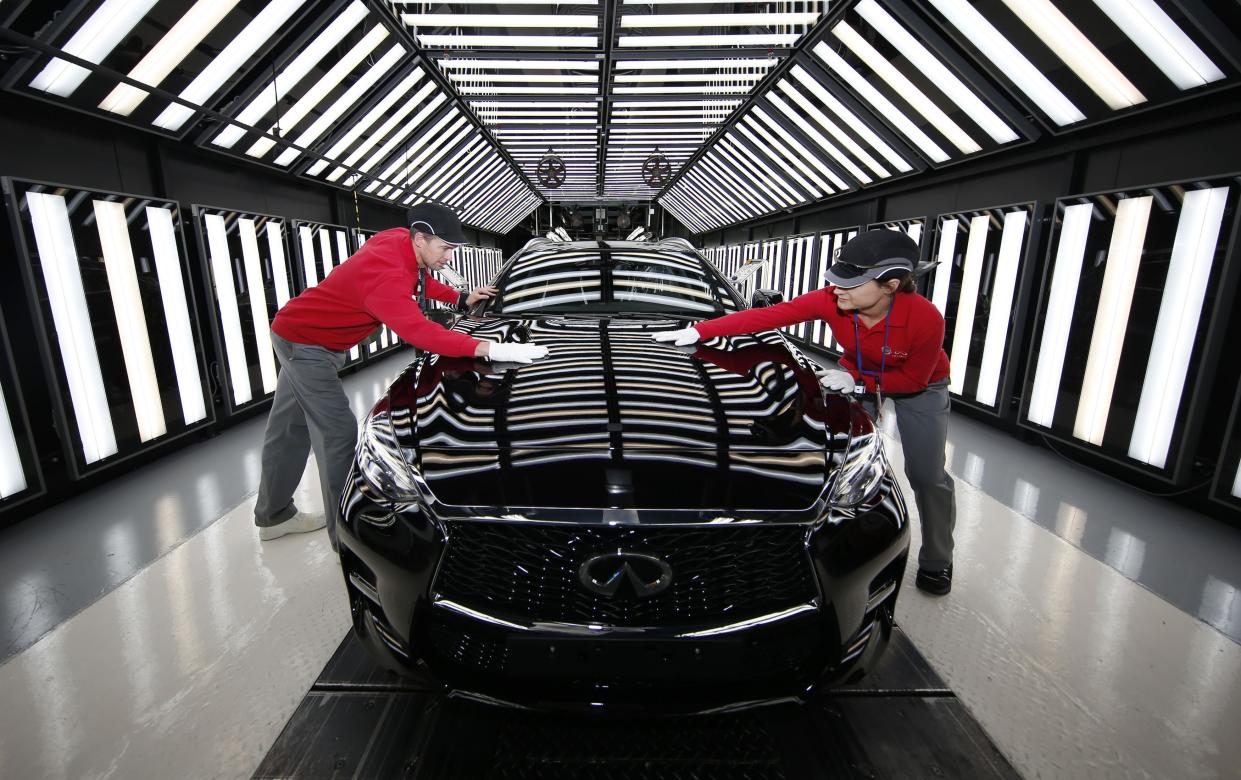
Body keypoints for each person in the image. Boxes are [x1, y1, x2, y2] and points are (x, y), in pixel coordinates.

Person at [651, 230, 956, 595]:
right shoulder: (832, 299)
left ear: (889, 285)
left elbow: (912, 379)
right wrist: (700, 331)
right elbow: (769, 318)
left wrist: (858, 381)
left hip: (919, 388)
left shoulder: (926, 318)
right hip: (852, 375)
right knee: (847, 455)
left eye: (850, 283)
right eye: (836, 281)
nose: (837, 289)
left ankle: (938, 560)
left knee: (926, 475)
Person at [254, 203, 547, 547]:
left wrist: (459, 297)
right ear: (420, 239)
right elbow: (421, 332)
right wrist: (489, 348)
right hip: (307, 345)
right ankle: (344, 540)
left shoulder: (397, 240)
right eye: (445, 248)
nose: (449, 258)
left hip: (299, 332)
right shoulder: (386, 276)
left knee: (289, 428)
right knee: (337, 433)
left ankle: (273, 516)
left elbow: (418, 280)